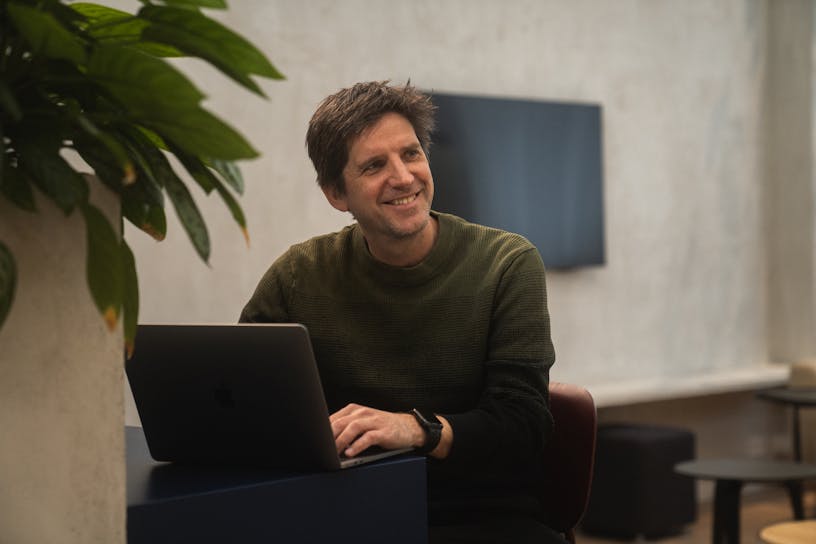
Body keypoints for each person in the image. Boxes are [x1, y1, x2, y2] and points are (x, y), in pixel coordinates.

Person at [240, 81, 563, 543]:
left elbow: (524, 429)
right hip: (342, 510)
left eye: (411, 154)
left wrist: (414, 429)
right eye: (374, 165)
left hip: (477, 517)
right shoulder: (299, 273)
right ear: (337, 193)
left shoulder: (507, 262)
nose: (403, 177)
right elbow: (242, 401)